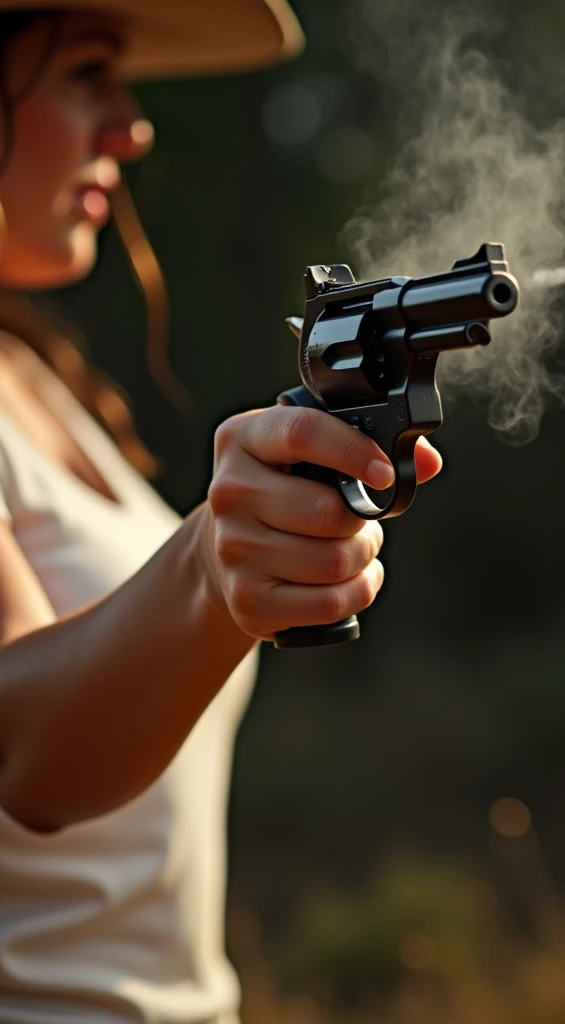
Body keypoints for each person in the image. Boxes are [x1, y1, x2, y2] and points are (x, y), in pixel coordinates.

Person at [0, 2, 443, 1021]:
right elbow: (23, 754)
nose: (134, 128)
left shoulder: (37, 377)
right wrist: (207, 564)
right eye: (86, 74)